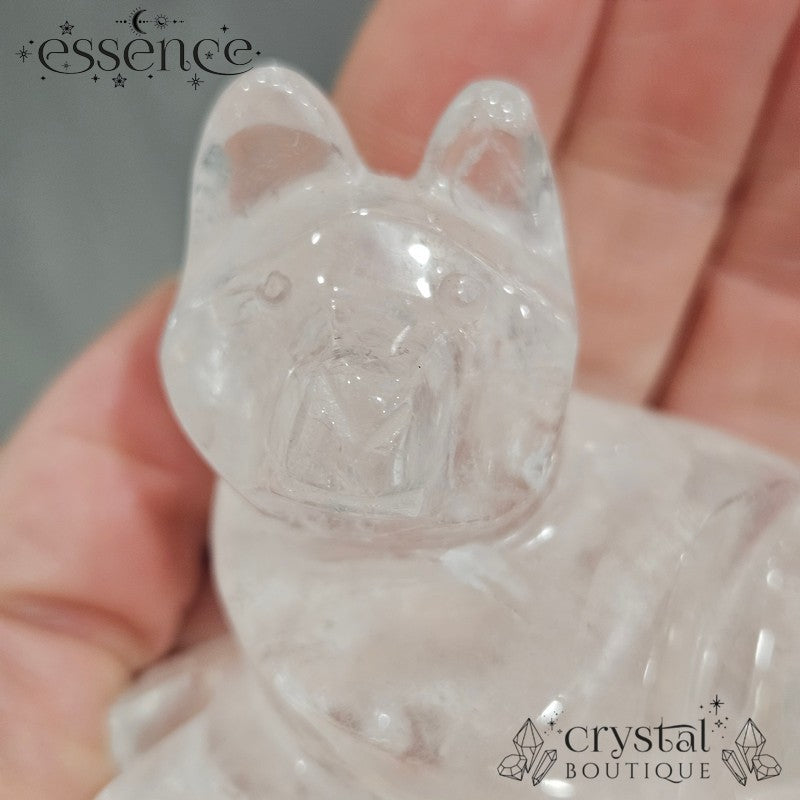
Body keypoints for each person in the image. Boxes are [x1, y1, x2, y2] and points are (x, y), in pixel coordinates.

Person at [0, 1, 797, 796]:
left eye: (454, 296)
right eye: (283, 293)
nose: (365, 387)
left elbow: (464, 743)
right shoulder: (262, 532)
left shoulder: (647, 527)